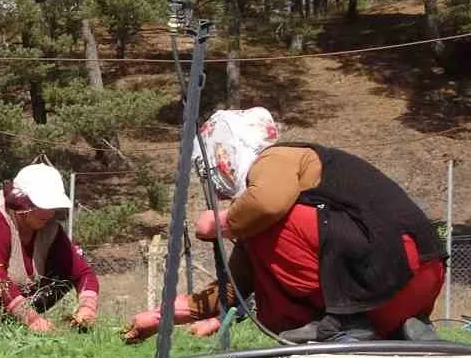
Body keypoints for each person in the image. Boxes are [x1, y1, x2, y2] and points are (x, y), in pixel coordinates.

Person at [130, 108, 444, 343]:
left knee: (268, 225)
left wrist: (222, 222)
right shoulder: (276, 207)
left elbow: (267, 204)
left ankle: (347, 323)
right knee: (260, 242)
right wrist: (163, 316)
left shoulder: (277, 158)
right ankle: (402, 325)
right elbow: (237, 284)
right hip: (411, 281)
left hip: (392, 267)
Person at [0, 163, 102, 332]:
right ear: (22, 203)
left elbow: (83, 272)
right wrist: (30, 318)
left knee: (66, 270)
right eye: (42, 206)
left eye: (51, 207)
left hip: (6, 298)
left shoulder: (48, 227)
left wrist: (87, 307)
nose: (49, 213)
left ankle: (14, 325)